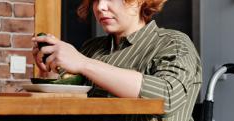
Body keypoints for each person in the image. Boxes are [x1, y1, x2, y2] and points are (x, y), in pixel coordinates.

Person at [32, 0, 202, 120]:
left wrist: (83, 63)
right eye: (95, 0)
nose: (100, 7)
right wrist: (50, 69)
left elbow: (167, 98)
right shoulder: (92, 48)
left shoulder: (173, 43)